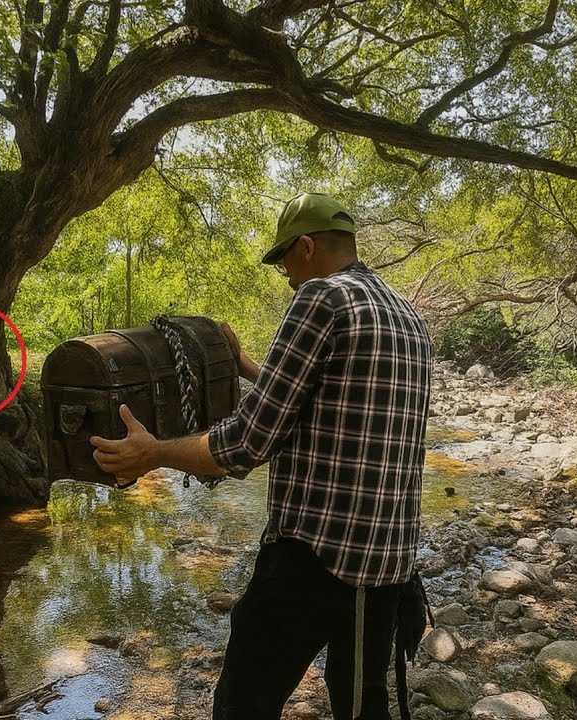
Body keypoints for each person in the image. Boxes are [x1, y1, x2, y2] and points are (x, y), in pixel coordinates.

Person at [92, 192, 433, 720]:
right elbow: (329, 400)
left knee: (242, 705)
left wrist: (154, 453)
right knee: (363, 706)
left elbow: (248, 442)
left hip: (314, 560)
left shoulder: (321, 297)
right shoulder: (404, 315)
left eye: (285, 262)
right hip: (386, 563)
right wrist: (247, 364)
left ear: (308, 247)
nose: (286, 276)